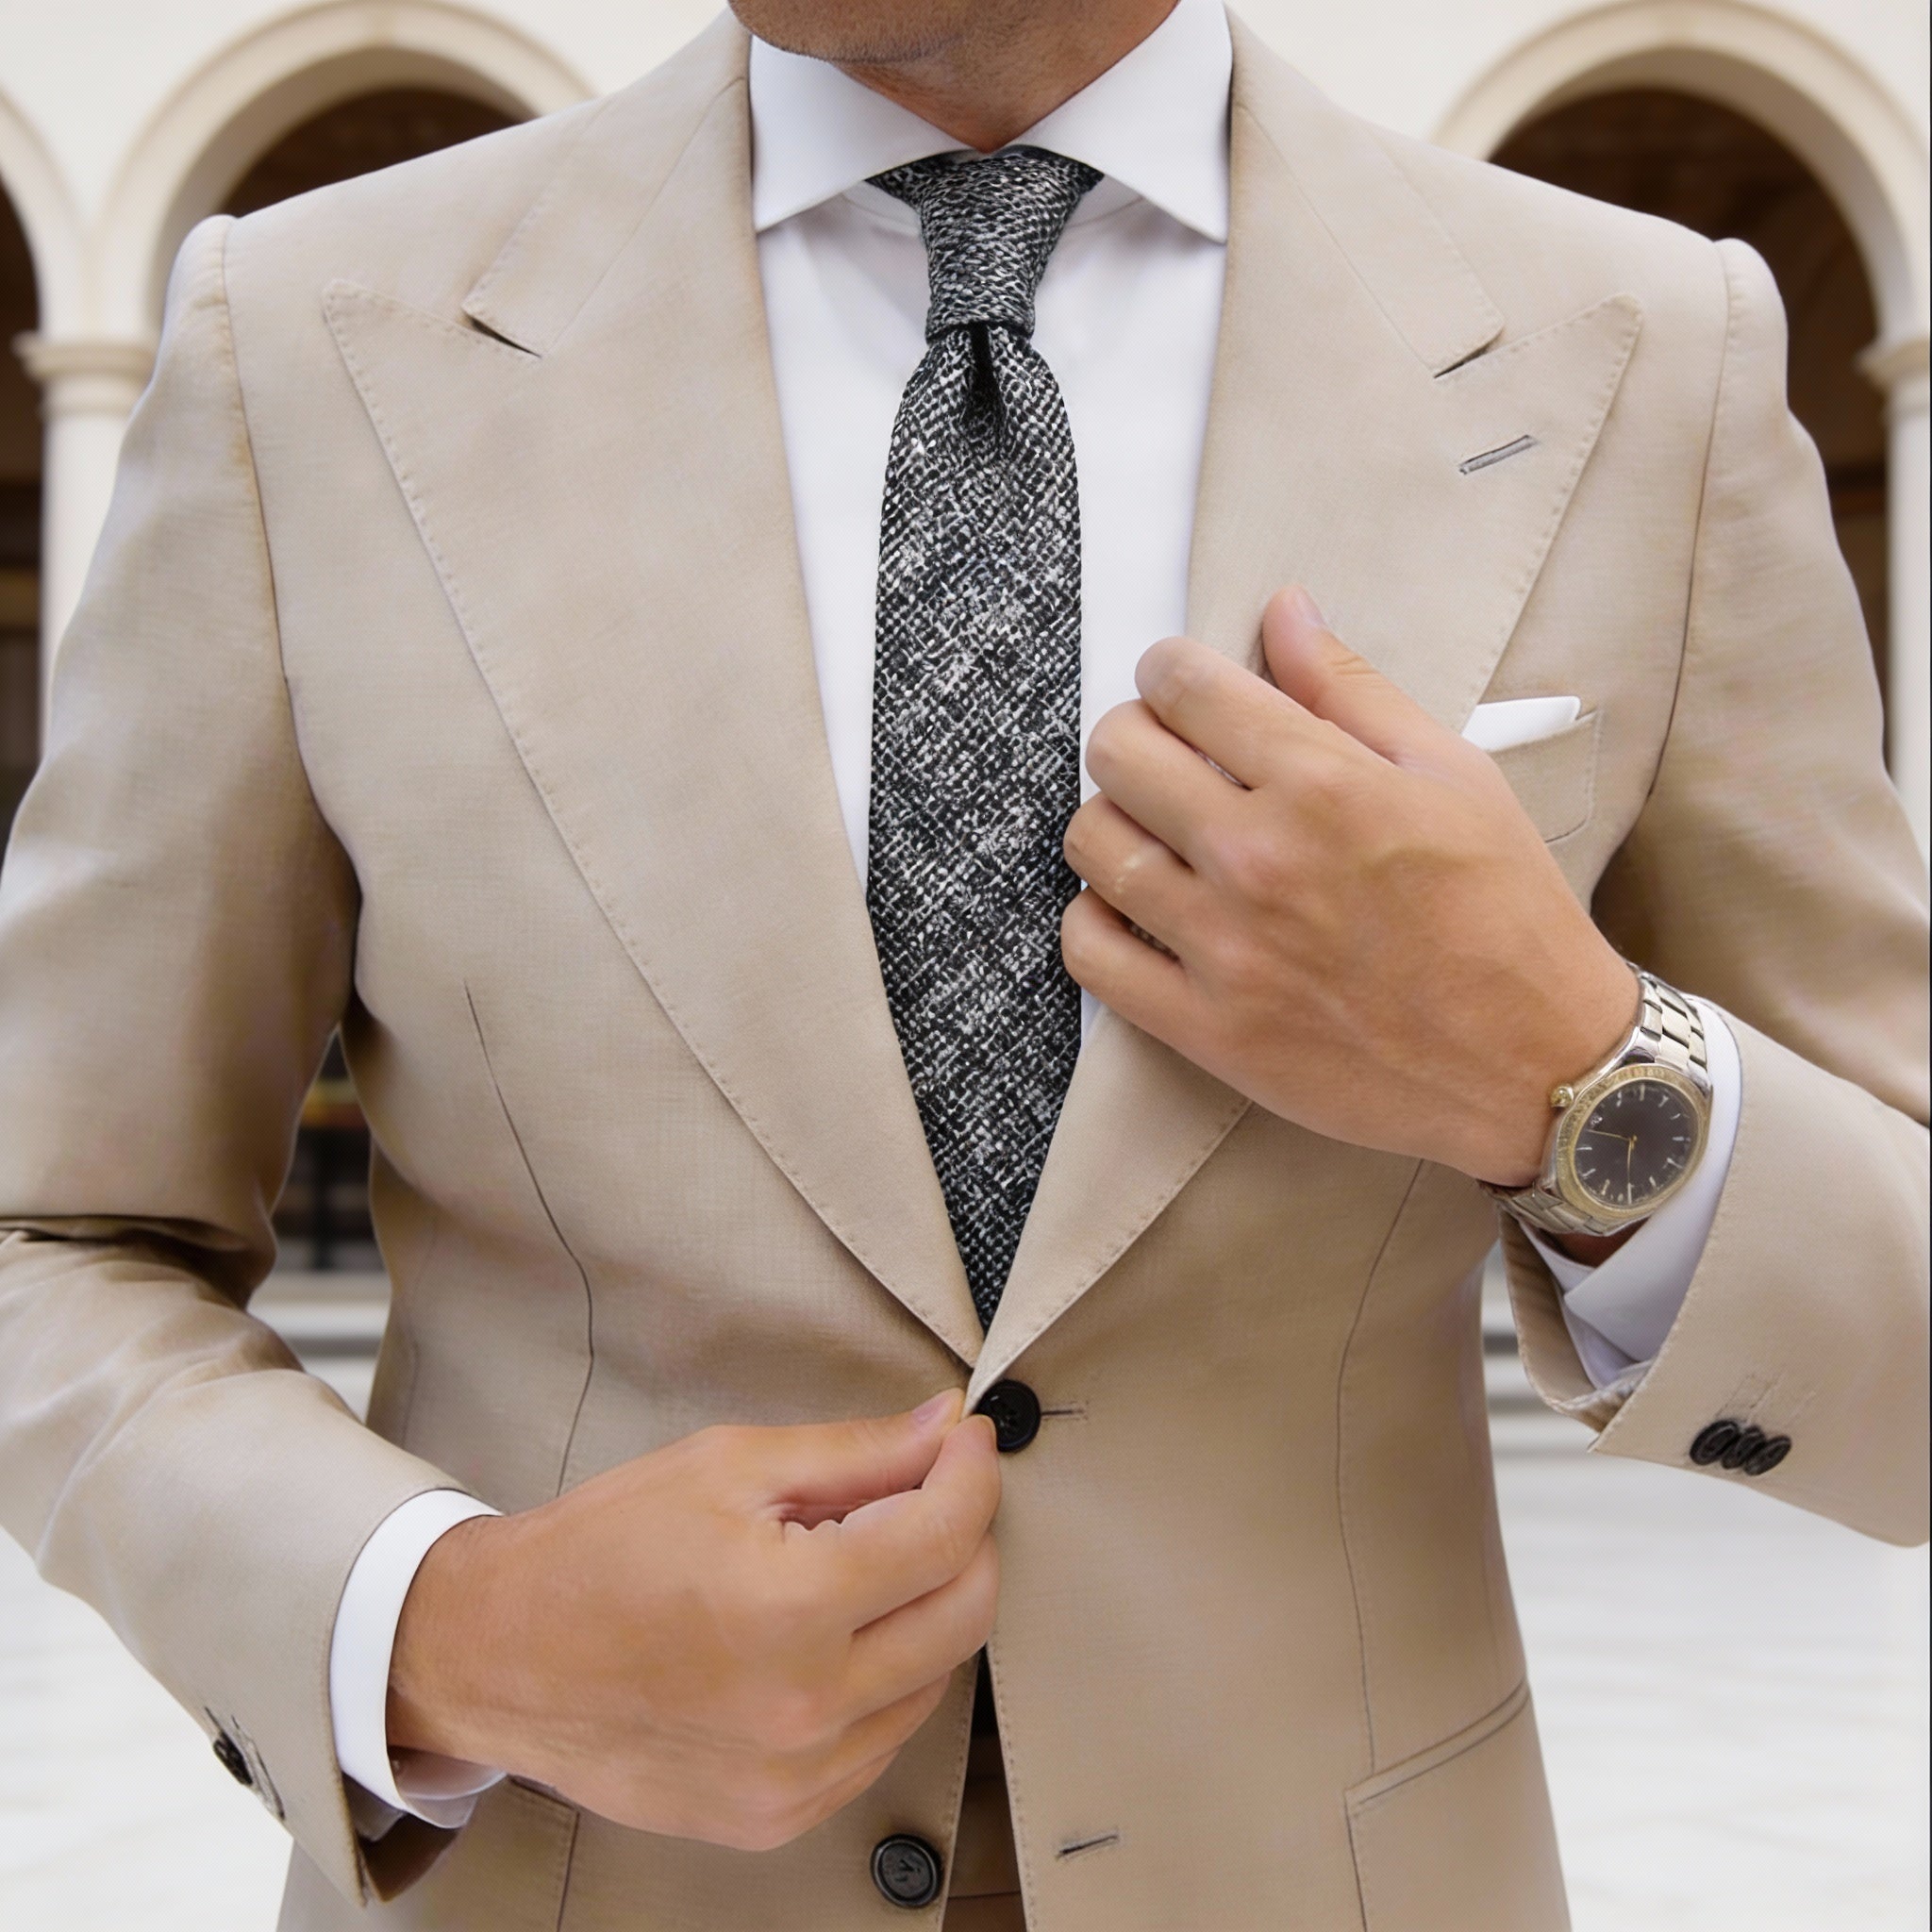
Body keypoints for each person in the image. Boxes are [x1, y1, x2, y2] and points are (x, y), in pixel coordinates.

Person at [0, 0, 1924, 1925]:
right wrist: (445, 1623)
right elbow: (53, 1233)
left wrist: (1575, 1079)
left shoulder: (1645, 353)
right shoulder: (316, 339)